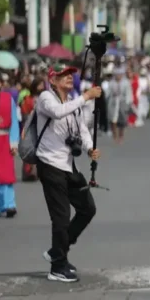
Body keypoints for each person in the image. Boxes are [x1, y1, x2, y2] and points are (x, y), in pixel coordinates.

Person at [35, 67, 102, 283]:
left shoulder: (74, 102)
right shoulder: (46, 98)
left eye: (71, 75)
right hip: (50, 165)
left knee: (88, 208)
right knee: (61, 217)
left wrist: (90, 148)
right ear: (52, 80)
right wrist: (86, 97)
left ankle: (59, 251)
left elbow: (81, 130)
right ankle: (57, 267)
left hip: (69, 165)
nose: (69, 78)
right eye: (64, 75)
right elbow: (57, 112)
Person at [0, 77, 19, 218]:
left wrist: (14, 142)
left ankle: (10, 205)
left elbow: (14, 122)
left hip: (5, 139)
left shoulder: (8, 98)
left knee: (6, 173)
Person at [107, 67, 134, 145]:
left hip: (122, 102)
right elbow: (108, 92)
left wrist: (128, 102)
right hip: (113, 102)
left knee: (122, 121)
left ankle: (121, 135)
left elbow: (129, 93)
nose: (118, 76)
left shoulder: (126, 82)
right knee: (113, 120)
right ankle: (115, 135)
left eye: (120, 74)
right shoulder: (112, 83)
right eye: (117, 74)